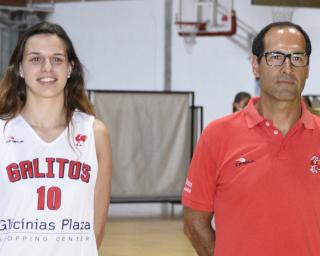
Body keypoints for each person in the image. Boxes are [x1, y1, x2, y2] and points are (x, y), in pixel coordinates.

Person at [182, 21, 320, 256]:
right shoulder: (217, 136)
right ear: (256, 65)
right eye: (275, 56)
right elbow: (194, 224)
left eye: (297, 57)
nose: (287, 68)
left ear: (307, 68)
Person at [0, 22, 112, 255]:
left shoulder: (95, 134)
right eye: (35, 59)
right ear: (20, 68)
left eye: (57, 59)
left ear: (70, 68)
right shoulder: (3, 132)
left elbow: (96, 230)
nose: (47, 68)